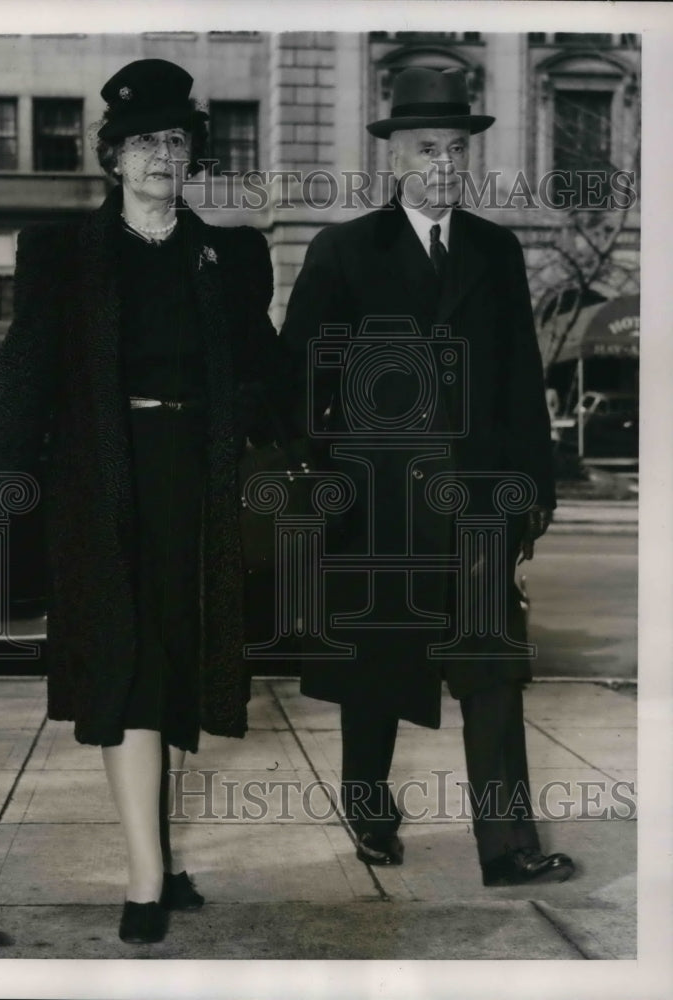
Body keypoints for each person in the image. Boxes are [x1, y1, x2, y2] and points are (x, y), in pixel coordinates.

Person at [0, 59, 283, 943]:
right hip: (103, 486)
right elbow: (25, 371)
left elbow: (262, 366)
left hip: (201, 484)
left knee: (180, 662)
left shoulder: (231, 254)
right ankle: (146, 875)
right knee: (130, 664)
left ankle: (165, 855)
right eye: (142, 142)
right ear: (112, 157)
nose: (159, 156)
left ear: (193, 156)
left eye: (174, 141)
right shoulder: (63, 254)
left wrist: (295, 441)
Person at [279, 67, 575, 886]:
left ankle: (507, 848)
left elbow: (521, 378)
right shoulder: (343, 250)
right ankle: (369, 811)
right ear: (394, 160)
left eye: (454, 148)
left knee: (493, 673)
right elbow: (302, 372)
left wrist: (535, 491)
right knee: (377, 677)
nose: (443, 164)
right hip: (379, 510)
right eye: (425, 149)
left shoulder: (496, 248)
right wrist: (328, 470)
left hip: (480, 504)